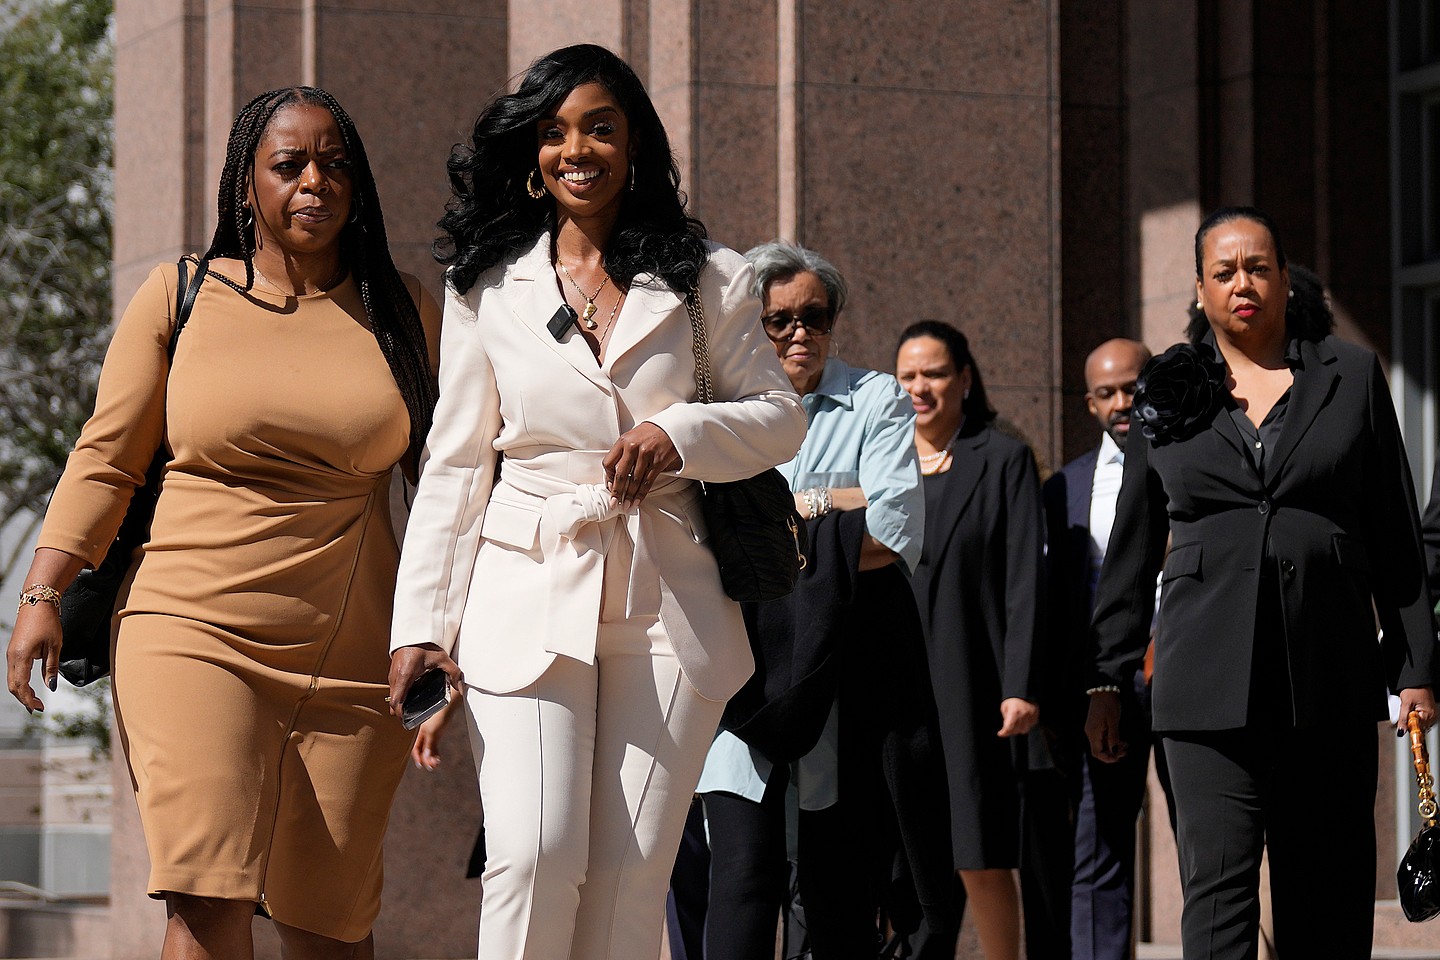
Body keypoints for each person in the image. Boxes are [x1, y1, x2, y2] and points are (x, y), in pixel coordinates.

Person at [385, 45, 805, 960]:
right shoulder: (487, 284)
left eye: (600, 129)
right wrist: (422, 624)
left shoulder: (712, 275)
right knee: (533, 855)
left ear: (635, 142)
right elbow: (455, 464)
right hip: (525, 588)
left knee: (629, 877)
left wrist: (679, 433)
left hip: (671, 600)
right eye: (554, 132)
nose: (577, 150)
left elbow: (780, 418)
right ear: (532, 152)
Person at [5, 86, 438, 958]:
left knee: (331, 926)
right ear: (247, 184)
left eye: (335, 165)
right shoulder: (183, 296)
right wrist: (42, 591)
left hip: (350, 651)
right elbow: (107, 457)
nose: (315, 182)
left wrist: (445, 633)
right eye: (289, 165)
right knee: (206, 899)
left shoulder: (405, 311)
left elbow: (448, 487)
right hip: (189, 628)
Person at [1085, 206, 1439, 959]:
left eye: (1257, 268)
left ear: (1284, 278)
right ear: (1201, 287)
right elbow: (1133, 544)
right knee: (1218, 904)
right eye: (1224, 272)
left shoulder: (1349, 374)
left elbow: (1394, 532)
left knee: (1329, 901)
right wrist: (1107, 677)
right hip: (1205, 690)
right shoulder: (1167, 385)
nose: (1242, 284)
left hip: (1330, 677)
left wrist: (1415, 668)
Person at [693, 240, 940, 960]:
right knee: (742, 884)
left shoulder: (877, 399)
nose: (800, 333)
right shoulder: (713, 408)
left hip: (843, 680)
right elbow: (697, 533)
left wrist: (775, 518)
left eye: (816, 316)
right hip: (741, 683)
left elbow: (893, 530)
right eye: (779, 320)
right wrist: (835, 508)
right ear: (750, 325)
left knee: (839, 901)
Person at [895, 320, 1044, 960]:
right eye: (907, 376)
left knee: (978, 849)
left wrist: (1020, 685)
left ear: (963, 379)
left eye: (933, 373)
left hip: (971, 685)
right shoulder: (881, 462)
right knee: (900, 853)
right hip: (894, 683)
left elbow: (1024, 580)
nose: (919, 388)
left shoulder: (1002, 458)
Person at [1042, 337, 1154, 960]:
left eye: (1132, 387)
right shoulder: (1066, 487)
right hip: (1105, 689)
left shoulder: (1198, 464)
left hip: (1190, 675)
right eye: (1106, 393)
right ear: (1089, 403)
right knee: (1099, 848)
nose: (1121, 403)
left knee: (1210, 848)